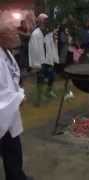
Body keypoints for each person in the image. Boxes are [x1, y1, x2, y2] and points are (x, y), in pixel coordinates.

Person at [0, 14, 33, 180]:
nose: (17, 34)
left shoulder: (6, 52)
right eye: (12, 30)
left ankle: (17, 177)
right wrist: (18, 98)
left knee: (13, 150)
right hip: (3, 116)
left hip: (9, 116)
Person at [29, 13, 52, 106]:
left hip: (45, 60)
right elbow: (33, 50)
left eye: (47, 20)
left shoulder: (44, 32)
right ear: (41, 21)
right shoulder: (36, 34)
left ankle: (46, 94)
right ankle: (38, 100)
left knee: (50, 77)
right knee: (40, 80)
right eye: (45, 20)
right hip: (40, 62)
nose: (47, 22)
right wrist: (36, 65)